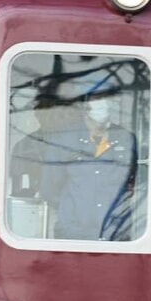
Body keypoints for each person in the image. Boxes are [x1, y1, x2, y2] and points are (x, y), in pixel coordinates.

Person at [44, 93, 137, 240]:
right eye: (96, 102)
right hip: (74, 232)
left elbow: (134, 182)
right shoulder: (64, 140)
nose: (102, 107)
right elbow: (50, 187)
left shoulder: (126, 138)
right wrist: (72, 211)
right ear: (85, 110)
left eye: (106, 102)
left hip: (115, 232)